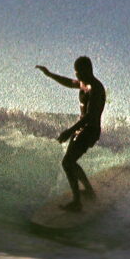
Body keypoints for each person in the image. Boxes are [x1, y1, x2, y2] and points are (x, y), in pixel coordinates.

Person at [35, 56, 106, 212]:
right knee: (70, 162)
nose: (76, 76)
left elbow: (90, 116)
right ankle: (88, 191)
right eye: (76, 72)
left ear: (88, 70)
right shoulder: (82, 83)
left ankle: (77, 203)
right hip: (82, 130)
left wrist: (69, 131)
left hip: (91, 130)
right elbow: (68, 82)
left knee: (68, 163)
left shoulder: (96, 88)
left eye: (79, 72)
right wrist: (49, 74)